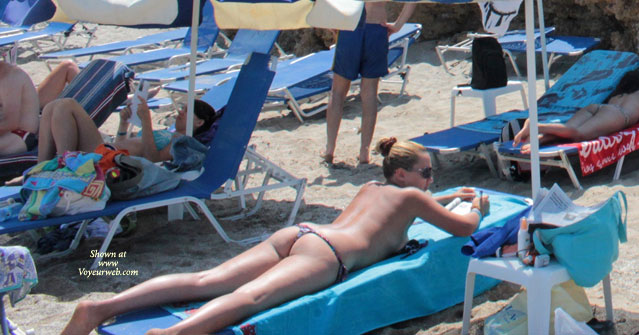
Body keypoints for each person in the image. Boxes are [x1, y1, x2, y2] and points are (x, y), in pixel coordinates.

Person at [61, 137, 489, 335]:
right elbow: (465, 227)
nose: (431, 180)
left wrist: (447, 193)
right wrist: (475, 205)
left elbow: (393, 210)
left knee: (207, 280)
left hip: (302, 235)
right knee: (252, 299)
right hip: (328, 256)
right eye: (427, 173)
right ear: (403, 174)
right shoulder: (414, 200)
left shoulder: (372, 188)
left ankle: (100, 308)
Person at [323, 0, 416, 165]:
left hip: (351, 28)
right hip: (376, 28)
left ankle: (330, 150)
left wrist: (333, 23)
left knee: (338, 93)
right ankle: (364, 152)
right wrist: (398, 24)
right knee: (369, 94)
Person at [513, 69, 639, 152]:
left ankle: (541, 138)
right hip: (618, 115)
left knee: (570, 131)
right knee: (579, 134)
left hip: (599, 107)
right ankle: (535, 125)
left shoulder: (618, 95)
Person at [37, 96, 217, 163]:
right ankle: (42, 167)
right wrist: (123, 124)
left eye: (187, 111)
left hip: (105, 160)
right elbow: (124, 144)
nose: (180, 112)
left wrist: (147, 121)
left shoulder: (181, 142)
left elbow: (152, 158)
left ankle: (61, 165)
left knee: (66, 105)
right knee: (51, 107)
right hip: (107, 151)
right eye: (182, 108)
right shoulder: (169, 133)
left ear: (199, 122)